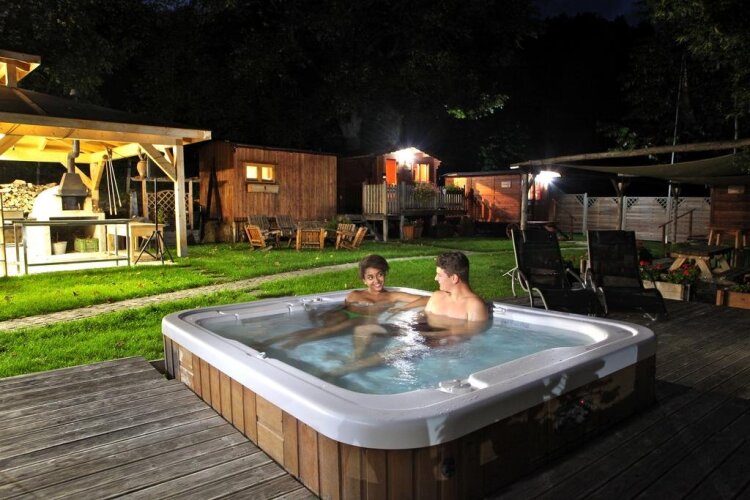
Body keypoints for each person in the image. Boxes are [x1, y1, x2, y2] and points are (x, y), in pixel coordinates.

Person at [274, 254, 426, 349]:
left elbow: (426, 299)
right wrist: (324, 314)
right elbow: (341, 307)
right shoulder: (355, 294)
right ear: (364, 280)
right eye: (370, 277)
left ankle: (294, 341)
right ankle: (277, 340)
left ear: (385, 274)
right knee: (331, 327)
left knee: (344, 326)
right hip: (345, 315)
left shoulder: (392, 296)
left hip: (360, 320)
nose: (377, 281)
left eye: (380, 275)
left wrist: (402, 308)